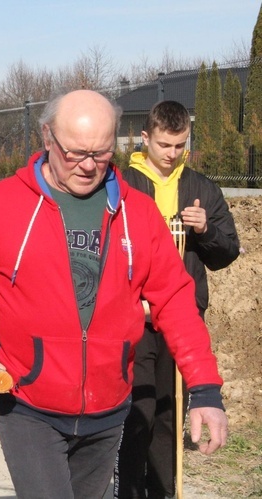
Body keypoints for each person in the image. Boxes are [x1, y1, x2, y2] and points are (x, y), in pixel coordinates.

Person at [0, 90, 228, 498]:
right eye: (75, 153)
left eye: (102, 152)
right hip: (26, 402)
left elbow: (177, 302)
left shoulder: (140, 215)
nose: (89, 166)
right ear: (47, 137)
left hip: (109, 408)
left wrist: (204, 388)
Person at [115, 101, 240, 499]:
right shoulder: (121, 183)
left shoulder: (201, 187)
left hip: (181, 318)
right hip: (133, 318)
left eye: (180, 145)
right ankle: (129, 489)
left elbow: (227, 252)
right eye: (165, 145)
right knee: (140, 411)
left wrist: (206, 232)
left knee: (169, 413)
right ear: (145, 138)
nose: (172, 154)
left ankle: (164, 491)